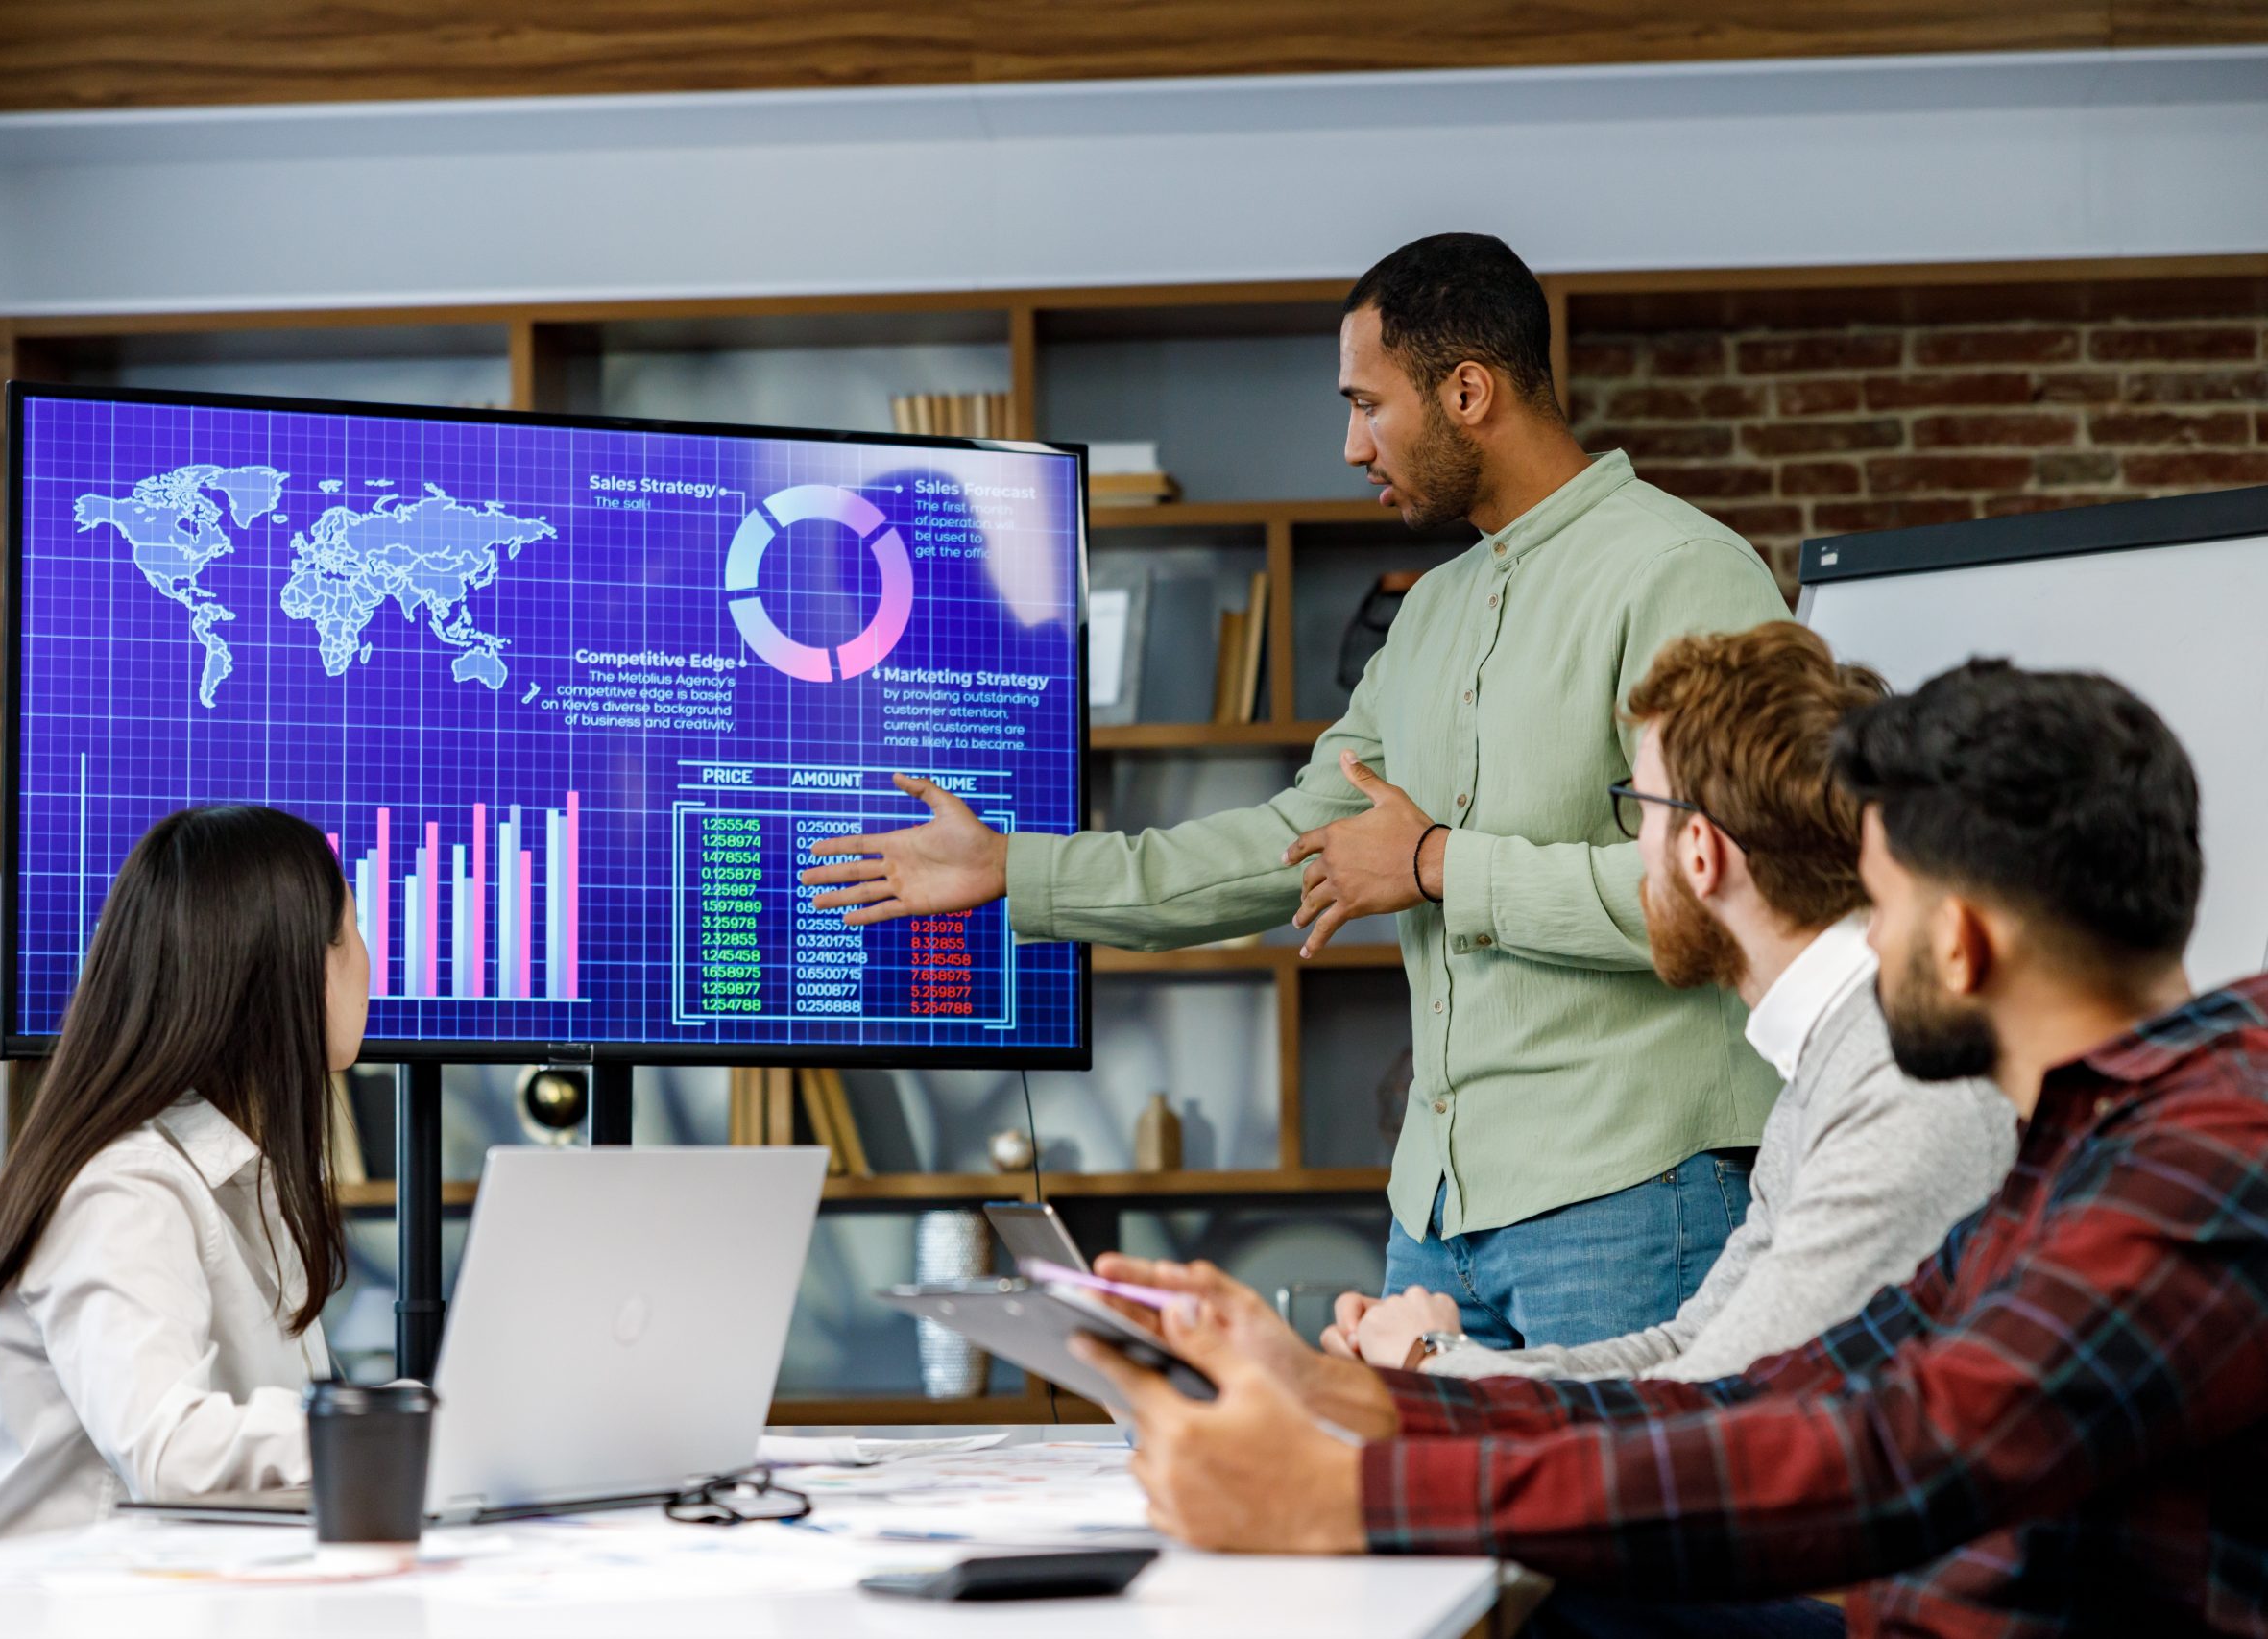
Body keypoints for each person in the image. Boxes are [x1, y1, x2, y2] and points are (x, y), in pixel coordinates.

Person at [1074, 661, 2268, 1637]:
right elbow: (1778, 1388)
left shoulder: (2206, 1154)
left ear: (1956, 941)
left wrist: (1345, 1494)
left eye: (1884, 903)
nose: (1866, 933)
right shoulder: (2087, 1139)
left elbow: (1887, 1452)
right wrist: (1341, 1392)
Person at [804, 232, 1789, 1345]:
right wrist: (1009, 870)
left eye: (1367, 405)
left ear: (1467, 391)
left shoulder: (1680, 570)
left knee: (1615, 1519)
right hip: (1434, 1222)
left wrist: (1433, 866)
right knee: (1412, 1520)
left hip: (1635, 1197)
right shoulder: (1427, 614)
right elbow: (1283, 844)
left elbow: (1733, 888)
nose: (1349, 443)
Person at [1329, 622, 2017, 1383]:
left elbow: (1714, 1401)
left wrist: (1435, 1357)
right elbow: (1685, 1346)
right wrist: (1437, 1366)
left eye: (1638, 811)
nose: (1635, 852)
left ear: (1701, 851)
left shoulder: (1898, 1082)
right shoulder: (1834, 1061)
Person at [0, 806, 367, 1551]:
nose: (367, 958)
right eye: (351, 930)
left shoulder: (248, 1178)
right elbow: (170, 1451)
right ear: (291, 967)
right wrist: (392, 1428)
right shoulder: (125, 1189)